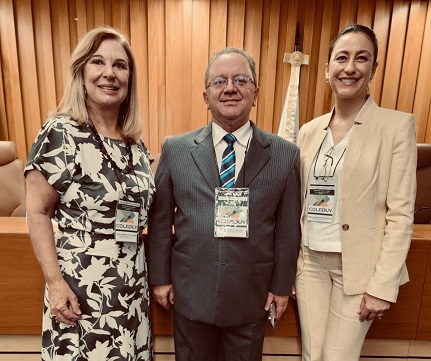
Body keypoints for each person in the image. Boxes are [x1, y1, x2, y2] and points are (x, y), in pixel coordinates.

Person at [148, 47, 301, 361]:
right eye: (220, 81)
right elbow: (161, 221)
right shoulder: (175, 150)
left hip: (252, 297)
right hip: (190, 295)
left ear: (255, 93)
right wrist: (160, 278)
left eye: (241, 80)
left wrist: (281, 285)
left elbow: (287, 230)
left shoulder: (285, 154)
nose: (230, 87)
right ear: (206, 96)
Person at [25, 26, 155, 360]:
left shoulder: (135, 144)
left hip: (130, 289)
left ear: (130, 78)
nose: (109, 73)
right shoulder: (61, 132)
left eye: (120, 65)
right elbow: (37, 211)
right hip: (80, 289)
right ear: (81, 71)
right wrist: (55, 283)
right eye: (98, 62)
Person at [294, 24, 417, 361]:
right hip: (310, 264)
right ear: (327, 70)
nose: (350, 68)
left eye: (362, 59)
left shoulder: (396, 127)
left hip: (359, 269)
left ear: (373, 69)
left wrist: (382, 287)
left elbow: (401, 214)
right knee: (311, 355)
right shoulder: (308, 131)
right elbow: (298, 205)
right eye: (342, 58)